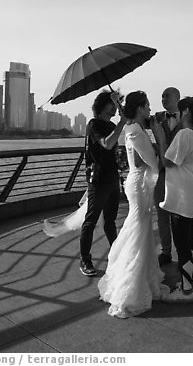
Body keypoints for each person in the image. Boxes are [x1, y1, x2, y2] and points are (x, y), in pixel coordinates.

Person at [98, 91, 169, 318]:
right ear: (139, 108)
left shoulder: (133, 129)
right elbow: (154, 163)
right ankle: (129, 289)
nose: (150, 110)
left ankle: (140, 278)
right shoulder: (136, 131)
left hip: (139, 183)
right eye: (147, 106)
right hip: (139, 185)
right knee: (138, 230)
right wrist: (158, 138)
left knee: (141, 229)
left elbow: (144, 159)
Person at [151, 96, 193, 303]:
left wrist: (160, 136)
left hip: (182, 197)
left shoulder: (184, 134)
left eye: (179, 112)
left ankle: (185, 291)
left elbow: (167, 161)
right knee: (191, 241)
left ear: (185, 112)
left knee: (182, 245)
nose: (176, 116)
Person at [78, 90, 127, 276]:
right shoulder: (94, 125)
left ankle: (117, 255)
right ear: (102, 105)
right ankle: (85, 259)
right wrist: (121, 124)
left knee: (110, 221)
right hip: (98, 180)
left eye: (117, 102)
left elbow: (113, 149)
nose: (115, 106)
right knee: (90, 220)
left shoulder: (112, 124)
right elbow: (106, 144)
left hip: (113, 178)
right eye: (113, 102)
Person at [153, 87, 182, 266]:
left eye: (167, 96)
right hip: (161, 173)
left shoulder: (187, 119)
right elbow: (135, 120)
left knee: (178, 216)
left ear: (177, 98)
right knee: (161, 215)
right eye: (162, 96)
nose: (163, 99)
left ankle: (182, 252)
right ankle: (166, 251)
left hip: (179, 173)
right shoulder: (156, 117)